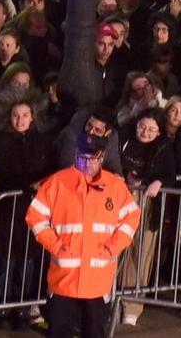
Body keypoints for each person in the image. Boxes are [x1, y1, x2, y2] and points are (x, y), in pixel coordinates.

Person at [24, 128, 138, 338]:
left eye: (92, 157)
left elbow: (131, 219)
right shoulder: (57, 182)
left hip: (97, 281)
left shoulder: (115, 186)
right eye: (82, 155)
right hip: (64, 280)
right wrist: (56, 246)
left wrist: (112, 247)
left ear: (102, 157)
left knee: (94, 332)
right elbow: (36, 217)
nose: (86, 162)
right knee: (59, 331)